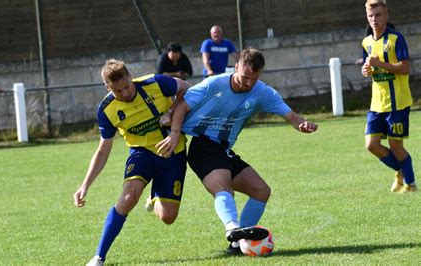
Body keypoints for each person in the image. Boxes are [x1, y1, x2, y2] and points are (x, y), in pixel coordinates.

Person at [156, 48, 318, 254]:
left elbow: (292, 117)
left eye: (254, 78)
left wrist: (303, 124)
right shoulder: (214, 84)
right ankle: (232, 228)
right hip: (201, 145)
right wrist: (176, 132)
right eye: (245, 77)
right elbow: (182, 106)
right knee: (224, 187)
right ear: (237, 67)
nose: (248, 83)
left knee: (261, 191)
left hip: (223, 150)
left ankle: (236, 243)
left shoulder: (262, 92)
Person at [73, 59, 190, 265]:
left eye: (127, 86)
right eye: (118, 91)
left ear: (130, 77)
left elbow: (186, 89)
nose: (125, 93)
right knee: (128, 197)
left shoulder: (155, 83)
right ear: (107, 87)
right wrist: (85, 185)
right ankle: (99, 256)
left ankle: (155, 197)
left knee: (168, 217)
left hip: (173, 150)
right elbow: (103, 151)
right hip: (141, 153)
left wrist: (171, 113)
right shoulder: (107, 110)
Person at [361, 0, 417, 193]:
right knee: (371, 144)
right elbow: (371, 67)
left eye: (378, 15)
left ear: (386, 15)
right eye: (370, 16)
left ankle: (411, 185)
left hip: (397, 103)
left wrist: (380, 63)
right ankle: (401, 170)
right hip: (377, 103)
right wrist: (367, 69)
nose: (374, 19)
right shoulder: (366, 42)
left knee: (395, 144)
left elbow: (405, 68)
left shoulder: (396, 39)